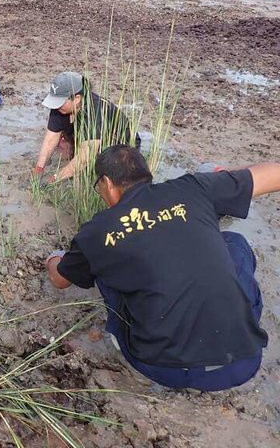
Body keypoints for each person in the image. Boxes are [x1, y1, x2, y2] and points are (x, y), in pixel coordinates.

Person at [45, 145, 274, 391]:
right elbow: (274, 173)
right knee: (235, 243)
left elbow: (60, 280)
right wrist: (225, 177)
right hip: (243, 363)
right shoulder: (193, 187)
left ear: (107, 183)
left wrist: (53, 258)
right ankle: (239, 320)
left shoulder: (97, 231)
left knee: (105, 271)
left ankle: (126, 349)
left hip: (164, 370)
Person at [34, 71, 138, 183]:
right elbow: (50, 140)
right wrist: (38, 170)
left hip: (119, 146)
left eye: (60, 102)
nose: (56, 106)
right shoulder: (60, 108)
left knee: (98, 170)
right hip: (87, 138)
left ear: (77, 98)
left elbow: (84, 158)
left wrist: (53, 180)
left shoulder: (96, 111)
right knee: (64, 148)